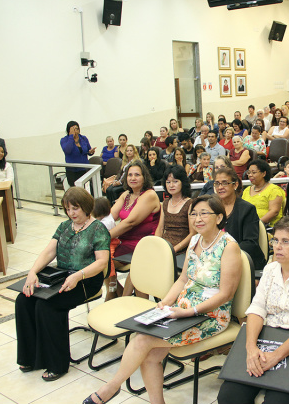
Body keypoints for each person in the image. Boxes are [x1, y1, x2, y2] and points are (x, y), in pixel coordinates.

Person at [85, 195, 241, 404]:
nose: (198, 218)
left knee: (143, 340)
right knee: (149, 354)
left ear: (219, 217)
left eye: (204, 213)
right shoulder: (195, 240)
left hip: (210, 315)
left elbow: (226, 294)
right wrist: (166, 302)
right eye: (194, 214)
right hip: (181, 309)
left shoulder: (229, 246)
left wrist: (188, 312)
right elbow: (183, 279)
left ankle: (111, 388)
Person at [217, 214, 289, 404]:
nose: (277, 247)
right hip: (269, 342)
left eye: (286, 242)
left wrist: (275, 357)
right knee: (229, 397)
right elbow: (257, 309)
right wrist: (251, 348)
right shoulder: (270, 270)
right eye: (276, 240)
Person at [16, 187, 109, 381]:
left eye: (75, 208)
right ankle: (32, 357)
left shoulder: (98, 229)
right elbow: (49, 252)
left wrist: (78, 276)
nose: (71, 213)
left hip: (86, 280)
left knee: (47, 304)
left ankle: (57, 364)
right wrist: (32, 272)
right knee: (23, 299)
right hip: (62, 276)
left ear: (86, 207)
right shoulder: (64, 226)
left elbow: (101, 263)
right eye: (68, 209)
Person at [108, 160, 161, 297]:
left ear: (144, 177)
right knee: (98, 256)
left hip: (142, 244)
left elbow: (130, 222)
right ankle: (117, 292)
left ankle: (119, 296)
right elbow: (110, 217)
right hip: (124, 242)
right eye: (130, 175)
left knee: (103, 257)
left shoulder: (149, 195)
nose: (132, 178)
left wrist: (105, 236)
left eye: (137, 175)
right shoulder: (126, 195)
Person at [154, 165, 195, 254]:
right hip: (165, 247)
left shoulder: (190, 203)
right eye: (168, 182)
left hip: (182, 250)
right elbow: (160, 229)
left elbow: (193, 234)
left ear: (183, 182)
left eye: (175, 181)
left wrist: (174, 249)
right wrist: (156, 245)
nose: (171, 185)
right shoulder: (165, 203)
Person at [243, 159, 285, 227]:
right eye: (249, 172)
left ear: (263, 174)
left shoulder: (274, 190)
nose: (250, 175)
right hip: (247, 227)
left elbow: (274, 212)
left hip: (267, 228)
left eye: (253, 172)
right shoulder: (246, 190)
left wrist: (256, 224)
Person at [60, 121, 96, 187]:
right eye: (73, 129)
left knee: (86, 188)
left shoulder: (83, 138)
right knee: (75, 190)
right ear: (68, 130)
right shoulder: (64, 140)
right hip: (72, 170)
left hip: (84, 168)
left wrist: (91, 152)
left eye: (76, 128)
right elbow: (68, 150)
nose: (75, 131)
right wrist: (71, 136)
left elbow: (88, 150)